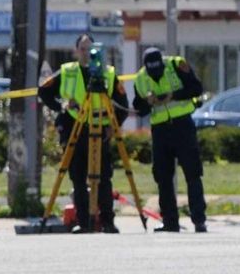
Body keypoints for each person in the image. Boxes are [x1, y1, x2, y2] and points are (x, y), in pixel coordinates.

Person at [38, 33, 129, 233]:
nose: (87, 53)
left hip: (100, 130)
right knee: (78, 178)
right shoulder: (67, 72)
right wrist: (61, 105)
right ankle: (84, 222)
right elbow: (43, 91)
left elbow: (123, 105)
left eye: (91, 49)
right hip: (75, 128)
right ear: (76, 51)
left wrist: (112, 127)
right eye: (83, 49)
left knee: (104, 178)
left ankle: (107, 221)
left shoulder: (109, 73)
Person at [132, 47, 208, 232]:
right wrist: (147, 102)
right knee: (162, 176)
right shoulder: (141, 78)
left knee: (192, 173)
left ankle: (199, 220)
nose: (155, 74)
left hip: (183, 126)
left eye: (158, 69)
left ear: (162, 63)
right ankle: (170, 221)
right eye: (152, 71)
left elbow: (196, 88)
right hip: (160, 130)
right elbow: (138, 107)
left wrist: (173, 95)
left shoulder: (176, 65)